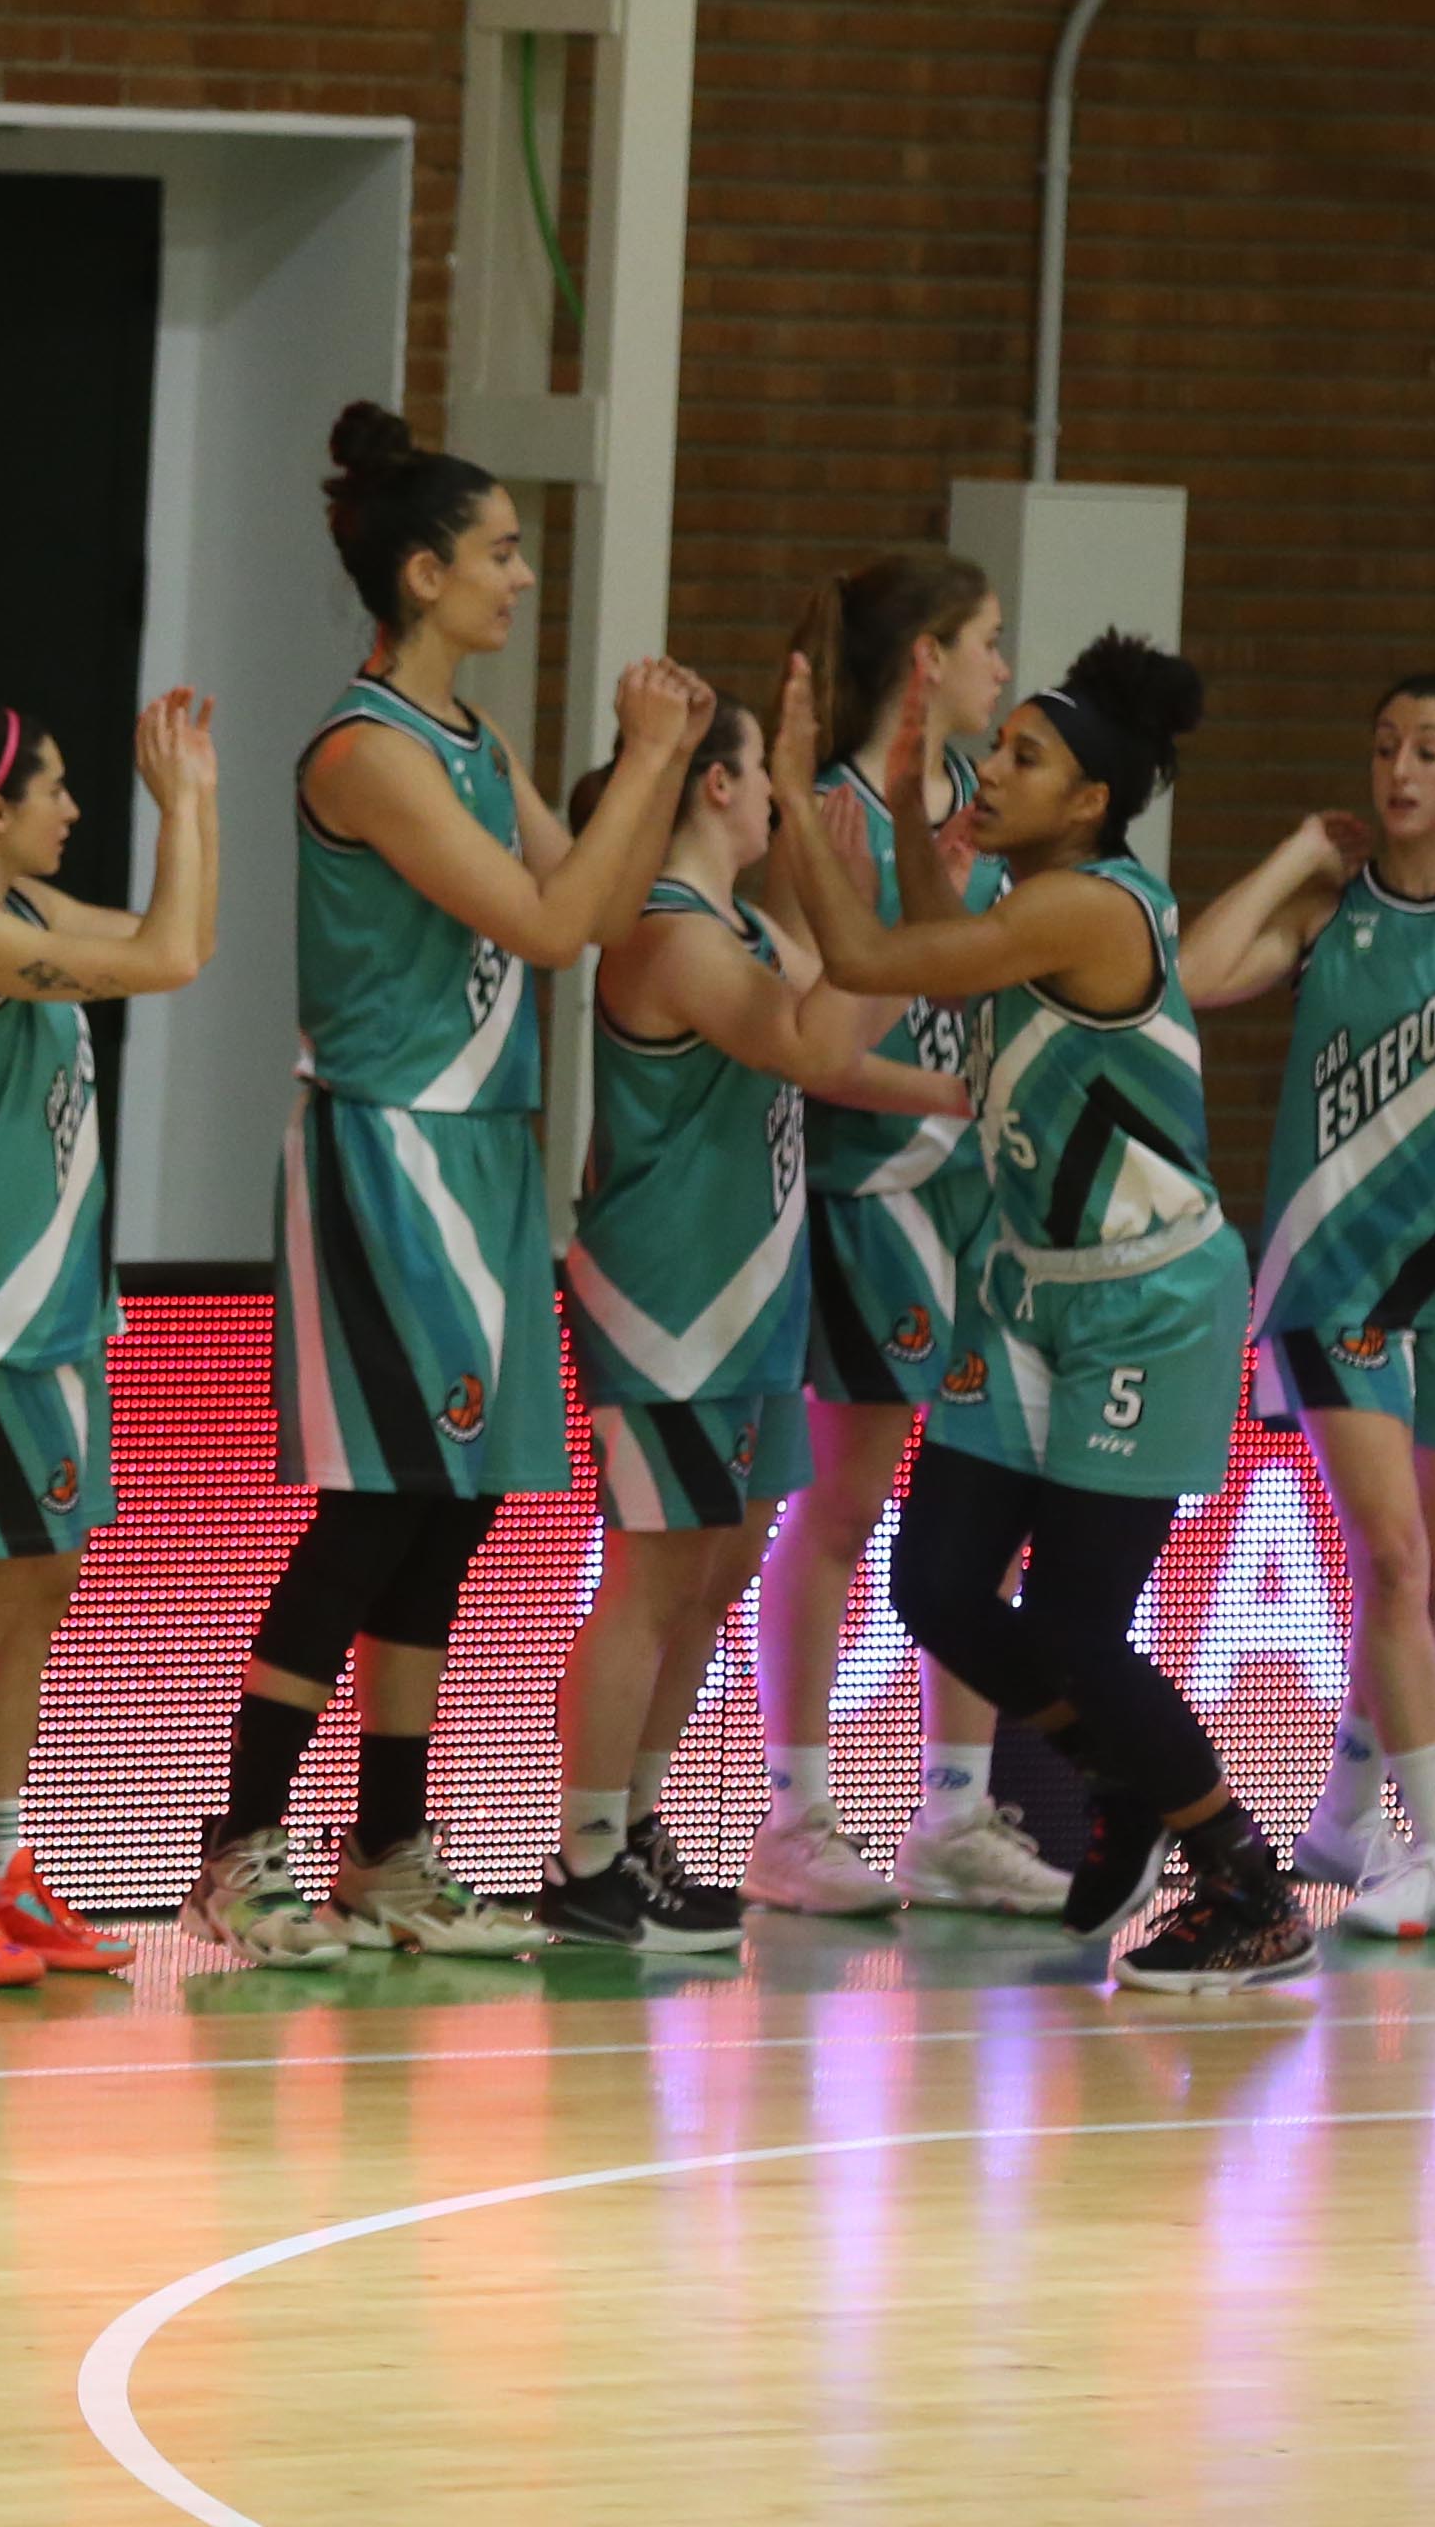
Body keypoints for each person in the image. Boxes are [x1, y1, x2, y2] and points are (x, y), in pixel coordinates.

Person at [183, 402, 697, 1970]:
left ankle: (389, 1849)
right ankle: (237, 1847)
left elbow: (601, 911)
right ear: (423, 575)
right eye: (500, 552)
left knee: (451, 1512)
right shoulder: (367, 752)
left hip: (482, 1149)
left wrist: (655, 778)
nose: (521, 578)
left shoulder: (473, 739)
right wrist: (648, 760)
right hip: (386, 1149)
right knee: (374, 1506)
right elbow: (549, 926)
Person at [767, 628, 1317, 1994]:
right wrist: (911, 799)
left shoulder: (1092, 907)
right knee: (936, 1586)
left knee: (1075, 1625)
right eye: (995, 743)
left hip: (1146, 1299)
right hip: (1024, 1288)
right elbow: (921, 932)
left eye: (1024, 756)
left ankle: (1246, 1881)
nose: (994, 769)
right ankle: (1120, 1777)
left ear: (1089, 802)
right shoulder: (1024, 892)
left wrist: (793, 788)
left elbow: (875, 955)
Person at [530, 693, 961, 1957]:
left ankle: (639, 1821)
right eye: (763, 770)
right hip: (669, 1300)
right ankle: (584, 1855)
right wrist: (883, 925)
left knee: (713, 1575)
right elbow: (810, 1039)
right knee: (652, 1575)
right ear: (717, 785)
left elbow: (839, 1040)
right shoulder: (670, 930)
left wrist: (951, 1085)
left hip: (754, 1288)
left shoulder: (742, 925)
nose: (780, 791)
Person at [1180, 674, 1435, 1942]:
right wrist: (1298, 852)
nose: (1400, 770)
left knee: (1425, 1578)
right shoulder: (1331, 911)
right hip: (1334, 1275)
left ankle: (1347, 1810)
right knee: (1393, 1557)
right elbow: (1188, 974)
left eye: (1432, 751)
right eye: (1385, 746)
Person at [0, 688, 220, 1989]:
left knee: (41, 1585)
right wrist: (187, 802)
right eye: (54, 788)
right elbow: (169, 957)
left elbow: (183, 937)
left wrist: (194, 811)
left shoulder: (22, 907)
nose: (74, 807)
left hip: (61, 1307)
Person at [744, 548, 1070, 1920]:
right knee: (841, 1506)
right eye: (988, 639)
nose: (1005, 665)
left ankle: (954, 1810)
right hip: (867, 1198)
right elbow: (806, 1046)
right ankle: (793, 1812)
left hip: (981, 1210)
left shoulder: (992, 818)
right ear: (929, 659)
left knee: (985, 1517)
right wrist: (952, 1093)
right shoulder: (827, 816)